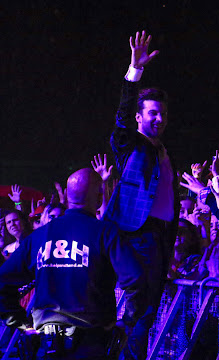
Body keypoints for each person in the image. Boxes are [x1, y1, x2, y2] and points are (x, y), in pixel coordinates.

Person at [0, 168, 146, 359]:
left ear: (67, 196)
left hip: (47, 344)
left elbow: (2, 282)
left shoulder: (39, 236)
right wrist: (128, 321)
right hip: (91, 342)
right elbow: (136, 279)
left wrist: (21, 323)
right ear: (100, 196)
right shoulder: (104, 232)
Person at [103, 30, 178, 359]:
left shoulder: (163, 150)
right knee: (141, 313)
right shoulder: (131, 144)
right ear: (139, 117)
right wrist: (134, 72)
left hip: (159, 237)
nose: (159, 119)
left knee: (145, 312)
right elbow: (120, 118)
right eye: (152, 113)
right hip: (139, 233)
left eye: (162, 114)